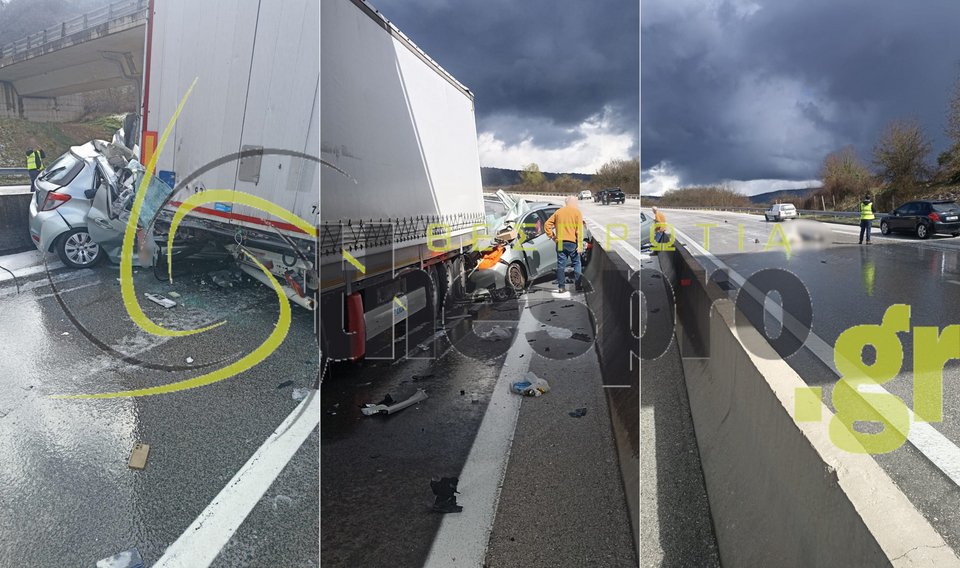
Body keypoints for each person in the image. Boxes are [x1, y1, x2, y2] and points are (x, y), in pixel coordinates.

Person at [545, 195, 584, 293]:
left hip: (560, 243)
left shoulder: (558, 212)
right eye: (576, 202)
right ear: (572, 203)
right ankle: (578, 286)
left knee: (561, 265)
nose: (577, 204)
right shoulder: (577, 212)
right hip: (572, 243)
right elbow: (579, 230)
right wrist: (580, 245)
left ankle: (561, 287)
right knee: (576, 263)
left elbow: (547, 225)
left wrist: (552, 236)